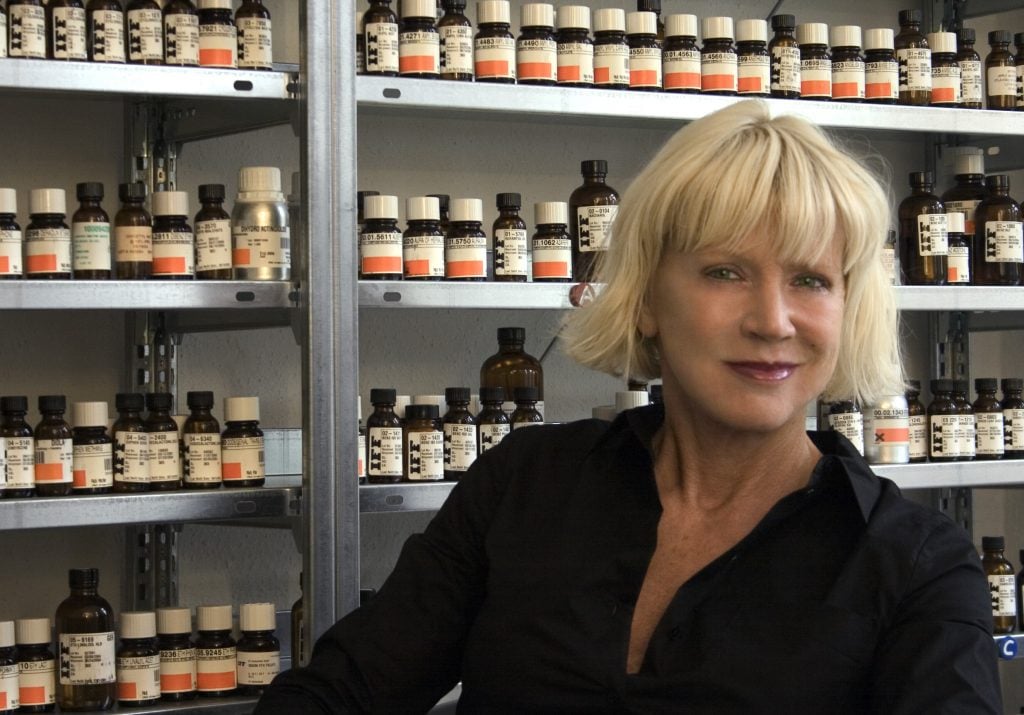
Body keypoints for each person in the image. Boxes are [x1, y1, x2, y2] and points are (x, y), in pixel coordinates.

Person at [255, 101, 1001, 713]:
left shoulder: (916, 565)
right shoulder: (526, 483)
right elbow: (344, 691)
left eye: (811, 280)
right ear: (646, 298)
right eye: (724, 271)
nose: (773, 319)